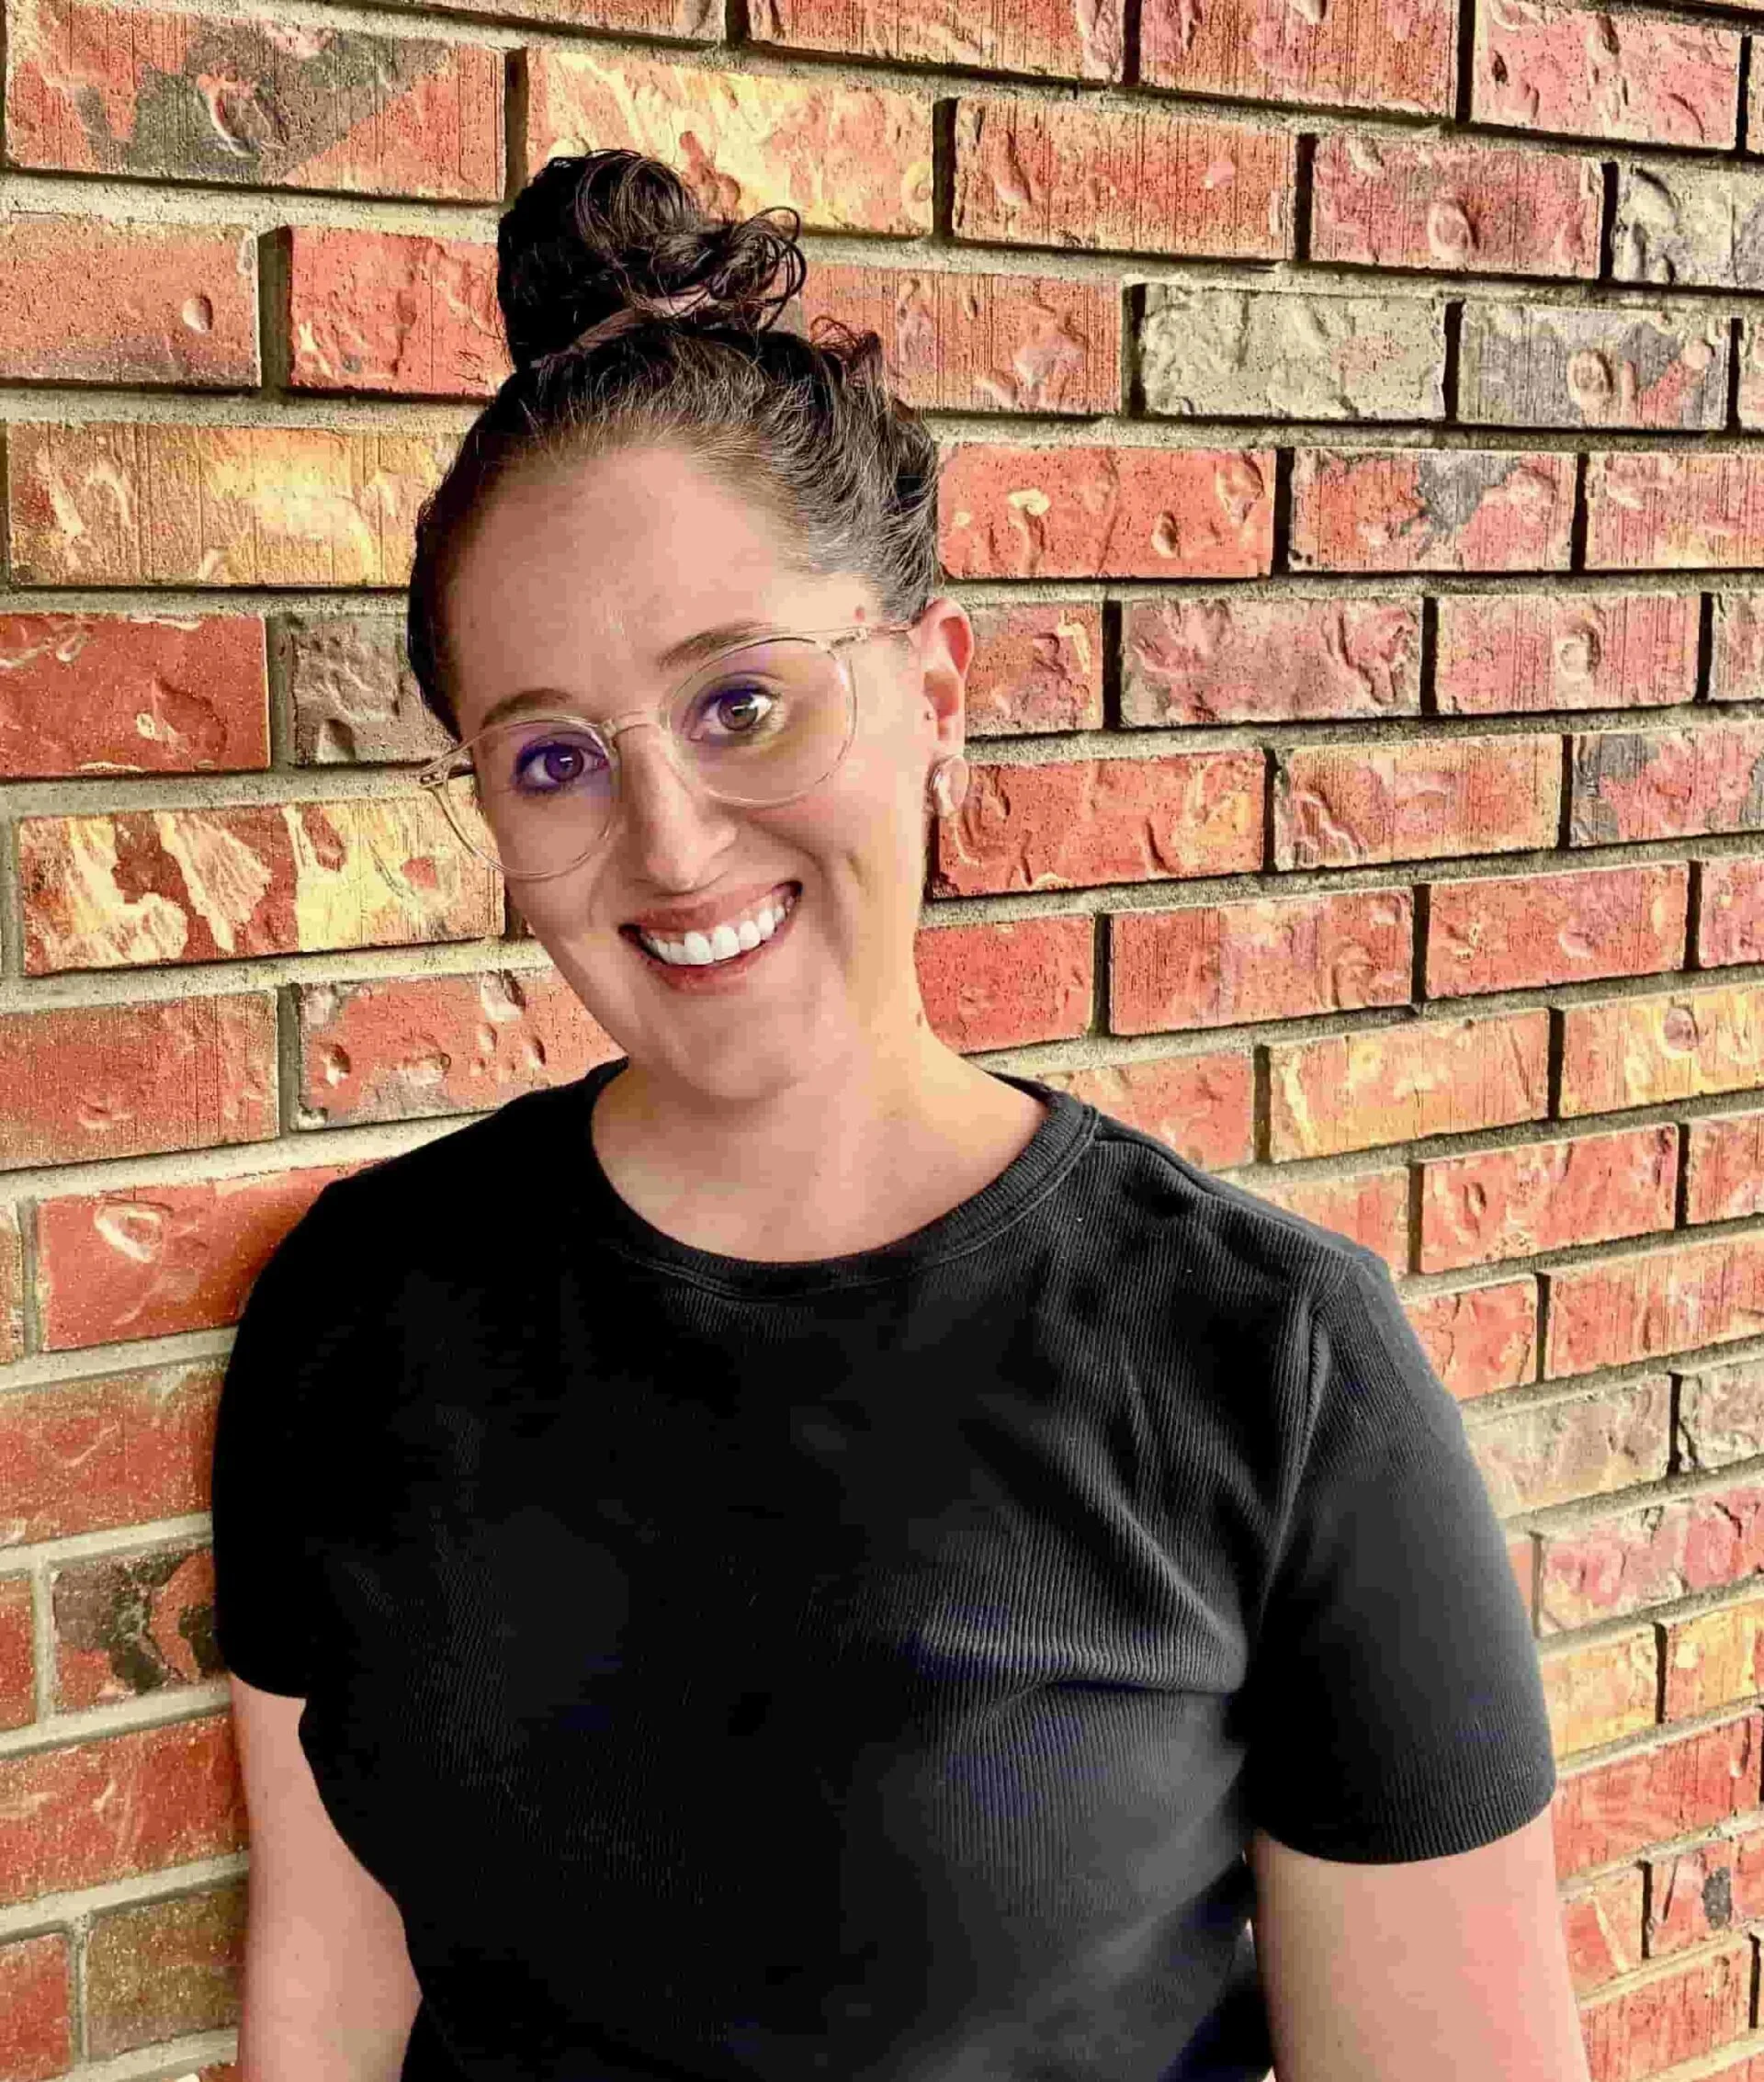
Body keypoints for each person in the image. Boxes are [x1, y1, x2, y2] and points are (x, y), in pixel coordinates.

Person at [210, 150, 1591, 2082]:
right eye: (553, 757)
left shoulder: (1264, 1367)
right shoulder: (356, 1308)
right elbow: (330, 1989)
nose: (667, 841)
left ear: (936, 694)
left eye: (743, 702)